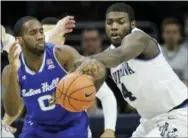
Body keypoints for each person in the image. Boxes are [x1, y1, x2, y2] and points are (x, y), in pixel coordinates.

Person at [77, 3, 188, 137]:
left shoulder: (140, 39)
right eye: (109, 22)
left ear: (133, 24)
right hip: (148, 120)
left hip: (177, 115)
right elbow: (93, 91)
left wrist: (83, 61)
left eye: (121, 22)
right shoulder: (108, 55)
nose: (114, 26)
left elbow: (119, 56)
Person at [2, 16, 105, 138]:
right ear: (20, 41)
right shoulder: (11, 70)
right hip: (36, 128)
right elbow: (12, 111)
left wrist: (96, 69)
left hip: (72, 126)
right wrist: (14, 72)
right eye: (33, 33)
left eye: (41, 31)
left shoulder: (61, 54)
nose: (40, 36)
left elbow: (93, 68)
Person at [161, 17, 188, 86]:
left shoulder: (186, 54)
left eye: (174, 32)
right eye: (168, 32)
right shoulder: (155, 53)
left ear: (180, 35)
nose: (171, 36)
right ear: (162, 34)